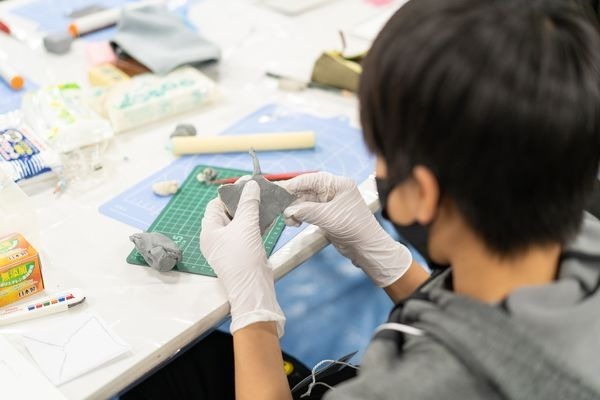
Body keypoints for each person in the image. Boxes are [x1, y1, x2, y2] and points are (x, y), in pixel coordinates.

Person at [124, 0, 600, 399]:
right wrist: (393, 263)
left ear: (423, 193)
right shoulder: (582, 235)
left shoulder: (413, 389)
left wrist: (253, 312)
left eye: (380, 150)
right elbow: (494, 335)